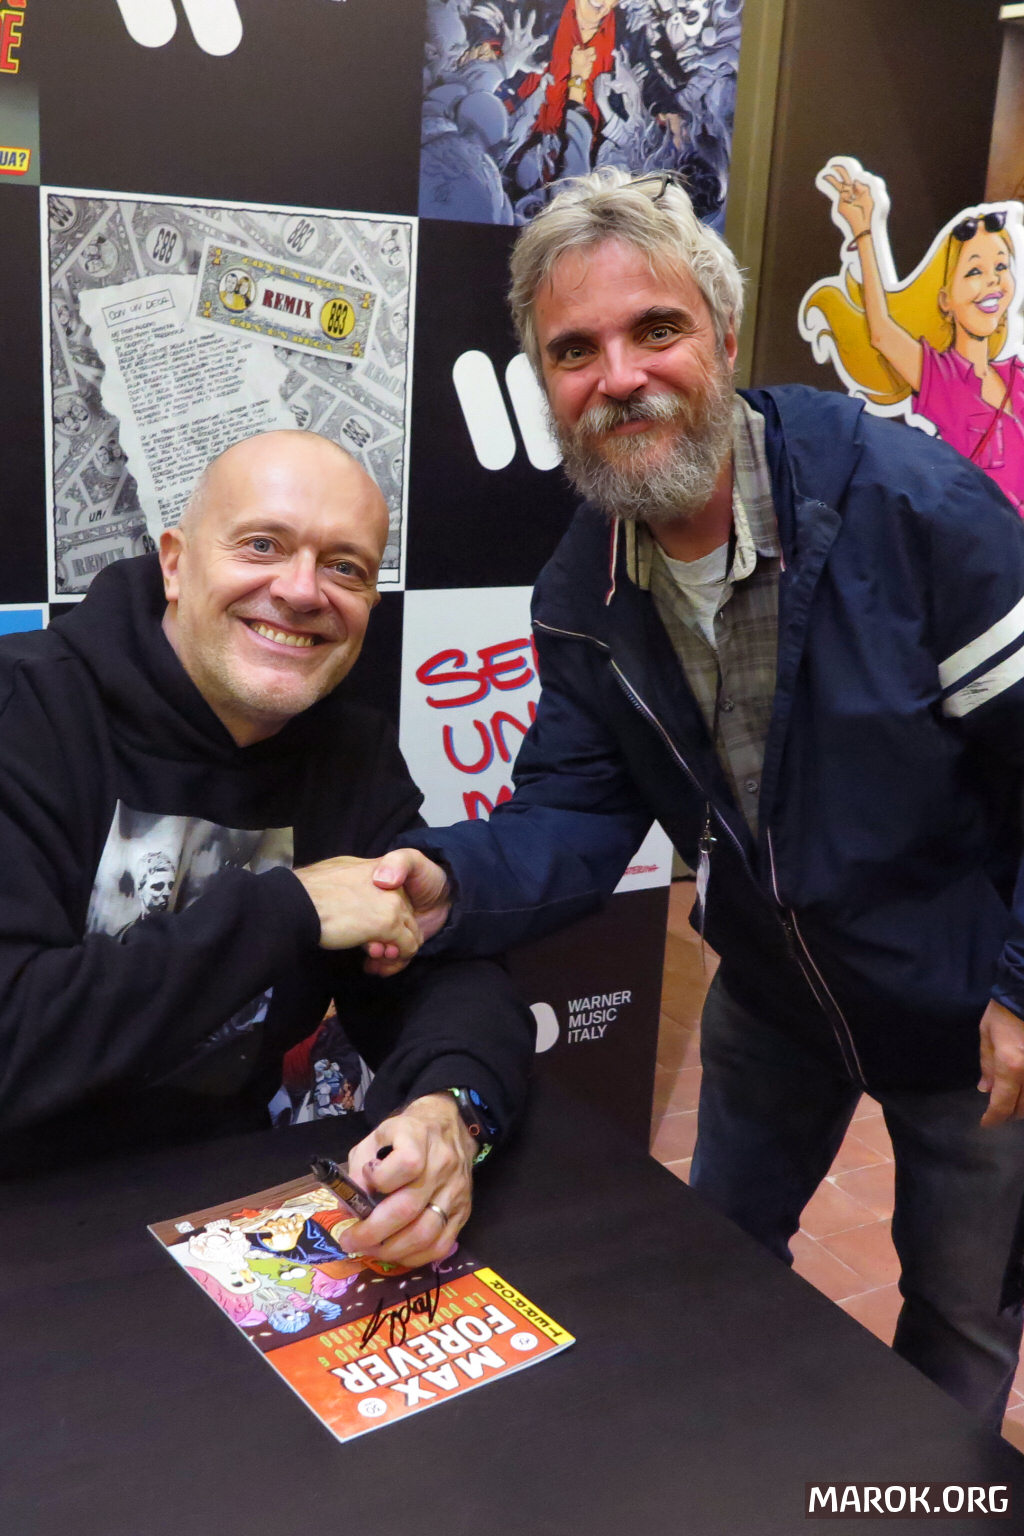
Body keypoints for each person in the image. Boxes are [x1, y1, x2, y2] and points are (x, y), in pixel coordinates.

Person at [370, 168, 1024, 1429]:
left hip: (962, 1021)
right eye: (574, 350)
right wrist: (443, 881)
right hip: (773, 1000)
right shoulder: (584, 584)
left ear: (723, 338)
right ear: (543, 384)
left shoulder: (921, 510)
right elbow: (573, 813)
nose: (618, 376)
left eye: (655, 329)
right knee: (714, 1265)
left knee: (955, 1321)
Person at [0, 429, 534, 1269]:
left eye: (345, 567)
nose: (300, 590)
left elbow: (439, 969)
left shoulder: (348, 752)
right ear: (175, 564)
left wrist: (449, 1107)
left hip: (219, 1207)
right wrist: (290, 908)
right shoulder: (24, 711)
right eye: (262, 545)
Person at [801, 161, 1024, 514]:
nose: (993, 280)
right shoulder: (945, 379)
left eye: (1001, 266)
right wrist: (864, 230)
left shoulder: (1016, 374)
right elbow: (882, 332)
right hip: (979, 539)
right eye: (974, 271)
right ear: (945, 299)